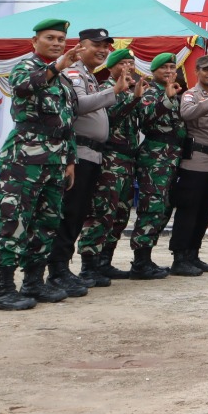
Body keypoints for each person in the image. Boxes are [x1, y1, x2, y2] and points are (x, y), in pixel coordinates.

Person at [0, 19, 78, 311]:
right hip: (24, 160)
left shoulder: (63, 80)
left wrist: (70, 161)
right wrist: (56, 67)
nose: (57, 43)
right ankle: (2, 290)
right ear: (34, 42)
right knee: (14, 223)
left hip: (55, 160)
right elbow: (24, 87)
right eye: (50, 38)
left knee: (46, 224)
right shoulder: (25, 68)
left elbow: (67, 123)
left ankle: (34, 283)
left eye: (61, 39)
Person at [49, 27, 121, 297]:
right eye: (97, 45)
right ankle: (57, 269)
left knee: (79, 213)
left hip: (92, 154)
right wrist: (113, 90)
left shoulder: (90, 75)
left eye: (106, 47)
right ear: (80, 47)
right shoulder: (74, 72)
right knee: (69, 213)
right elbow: (79, 104)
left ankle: (62, 268)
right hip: (77, 153)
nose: (103, 50)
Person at [76, 48, 146, 285]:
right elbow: (111, 118)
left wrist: (135, 97)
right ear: (112, 66)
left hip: (128, 160)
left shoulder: (131, 89)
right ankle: (88, 266)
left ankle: (104, 262)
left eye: (132, 63)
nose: (129, 67)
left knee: (120, 214)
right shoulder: (105, 87)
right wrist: (131, 97)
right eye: (124, 63)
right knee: (101, 212)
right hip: (110, 159)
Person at [171, 54, 208, 276]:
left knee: (204, 212)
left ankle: (192, 254)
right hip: (194, 161)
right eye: (206, 69)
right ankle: (179, 258)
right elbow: (186, 113)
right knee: (188, 210)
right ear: (197, 71)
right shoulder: (190, 94)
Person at [130, 52, 186, 280]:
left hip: (172, 157)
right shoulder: (150, 92)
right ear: (153, 71)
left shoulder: (174, 92)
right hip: (155, 156)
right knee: (151, 206)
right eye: (164, 67)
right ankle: (140, 262)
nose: (169, 71)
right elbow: (145, 119)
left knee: (164, 207)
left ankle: (147, 257)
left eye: (173, 67)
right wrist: (165, 101)